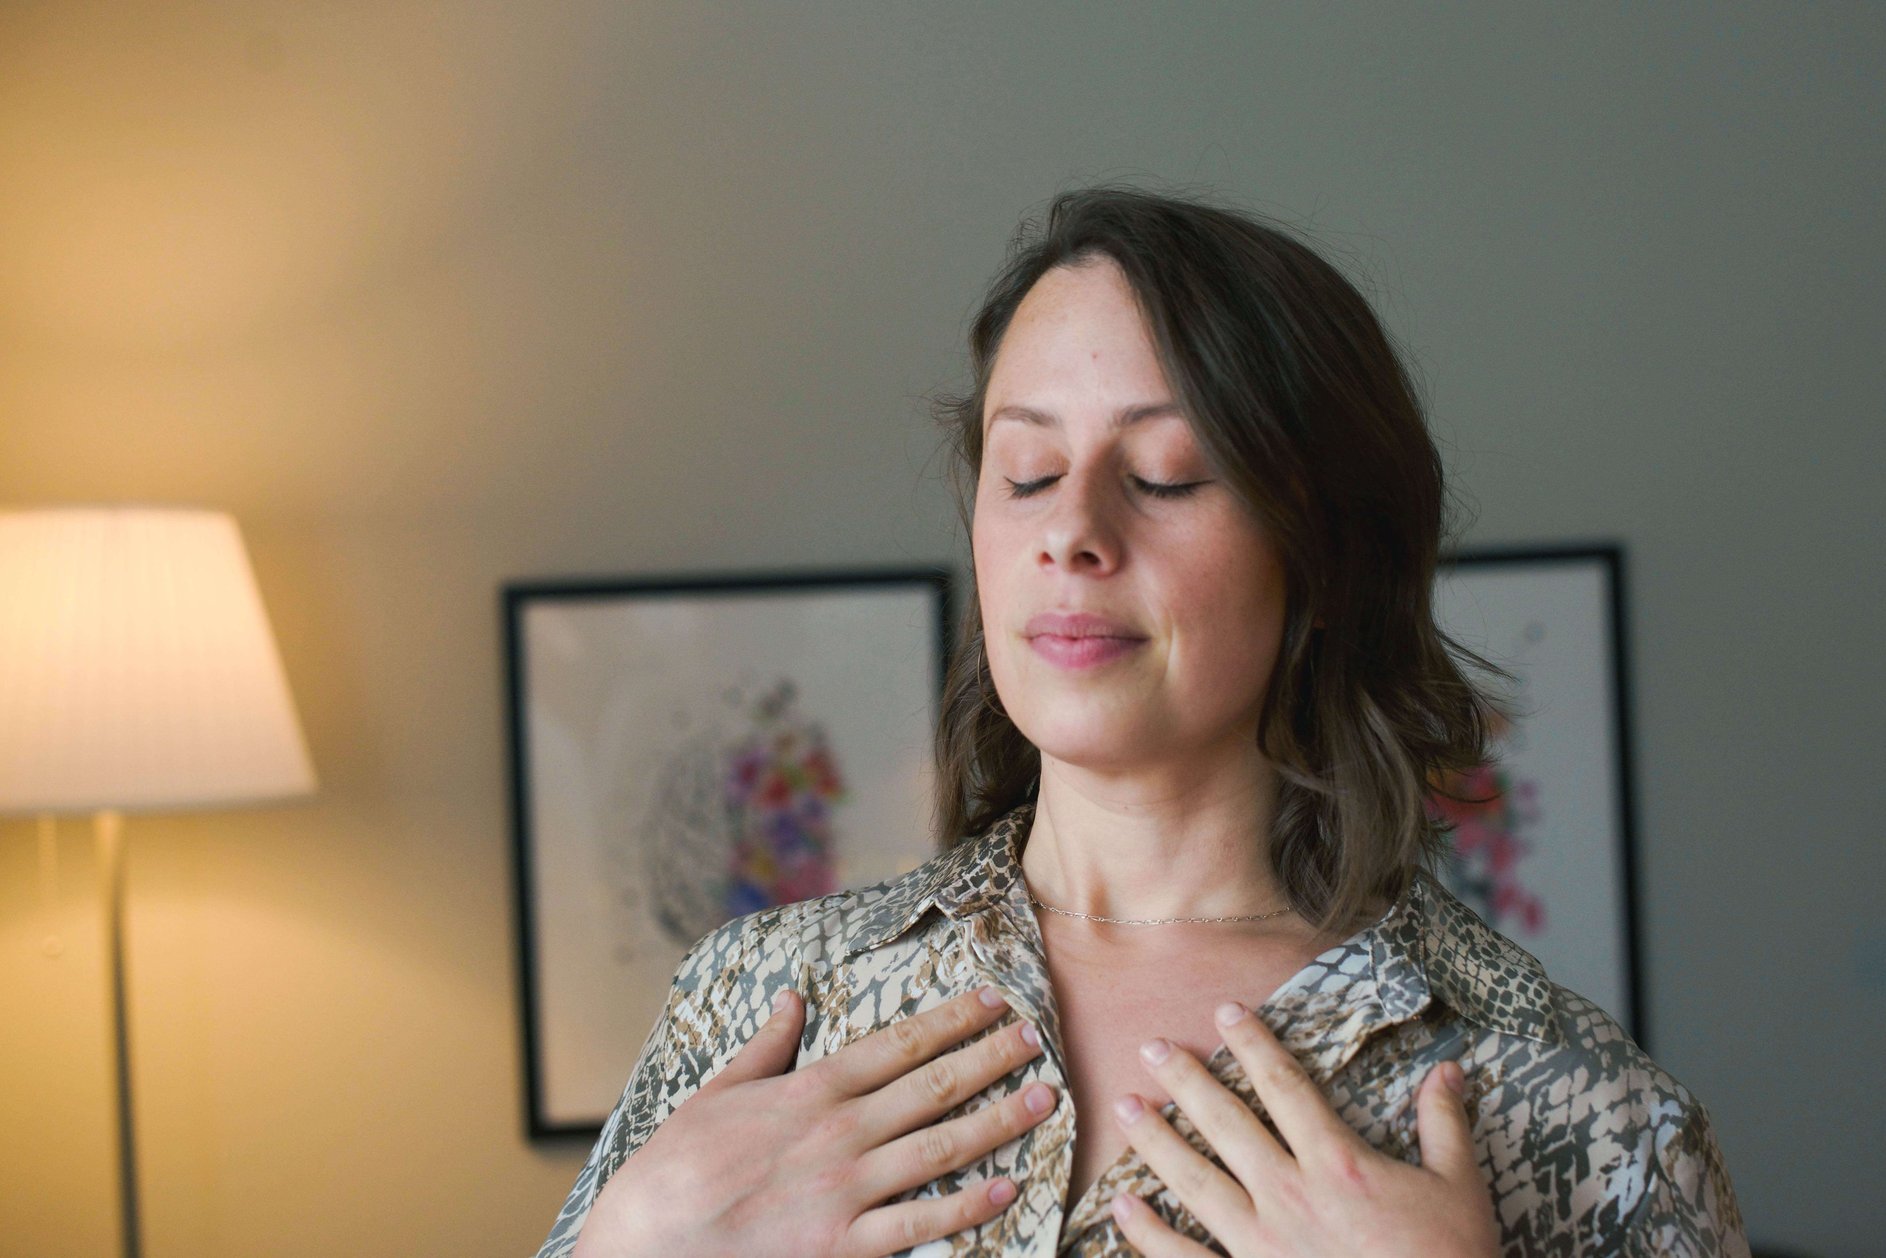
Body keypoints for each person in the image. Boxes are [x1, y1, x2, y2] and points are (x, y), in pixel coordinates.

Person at [533, 185, 1751, 1257]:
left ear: (1322, 558)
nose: (1072, 529)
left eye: (1165, 474)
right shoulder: (760, 1001)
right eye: (1025, 473)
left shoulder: (1579, 1114)